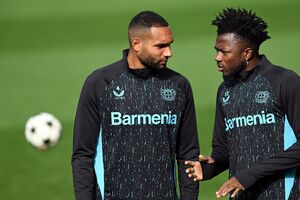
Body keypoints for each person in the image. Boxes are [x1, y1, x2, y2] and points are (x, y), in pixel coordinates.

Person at [72, 11, 200, 200]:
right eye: (161, 46)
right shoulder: (100, 83)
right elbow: (83, 154)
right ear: (136, 44)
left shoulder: (179, 86)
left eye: (170, 45)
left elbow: (188, 154)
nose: (169, 52)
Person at [185, 8, 300, 200]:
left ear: (247, 53)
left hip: (284, 193)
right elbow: (223, 151)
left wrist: (248, 175)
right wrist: (209, 168)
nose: (217, 57)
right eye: (216, 50)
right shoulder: (225, 90)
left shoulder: (284, 82)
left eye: (224, 52)